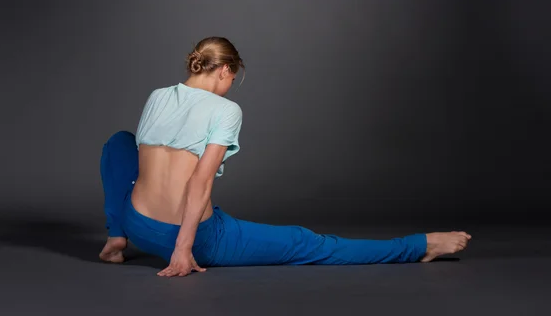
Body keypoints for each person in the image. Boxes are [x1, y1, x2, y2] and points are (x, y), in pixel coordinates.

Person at [98, 36, 472, 278]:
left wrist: (124, 227)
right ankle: (421, 245)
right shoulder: (225, 110)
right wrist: (183, 250)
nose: (230, 87)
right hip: (191, 239)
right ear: (225, 71)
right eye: (232, 78)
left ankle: (116, 239)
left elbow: (142, 157)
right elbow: (200, 180)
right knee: (307, 243)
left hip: (137, 223)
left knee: (119, 142)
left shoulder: (157, 95)